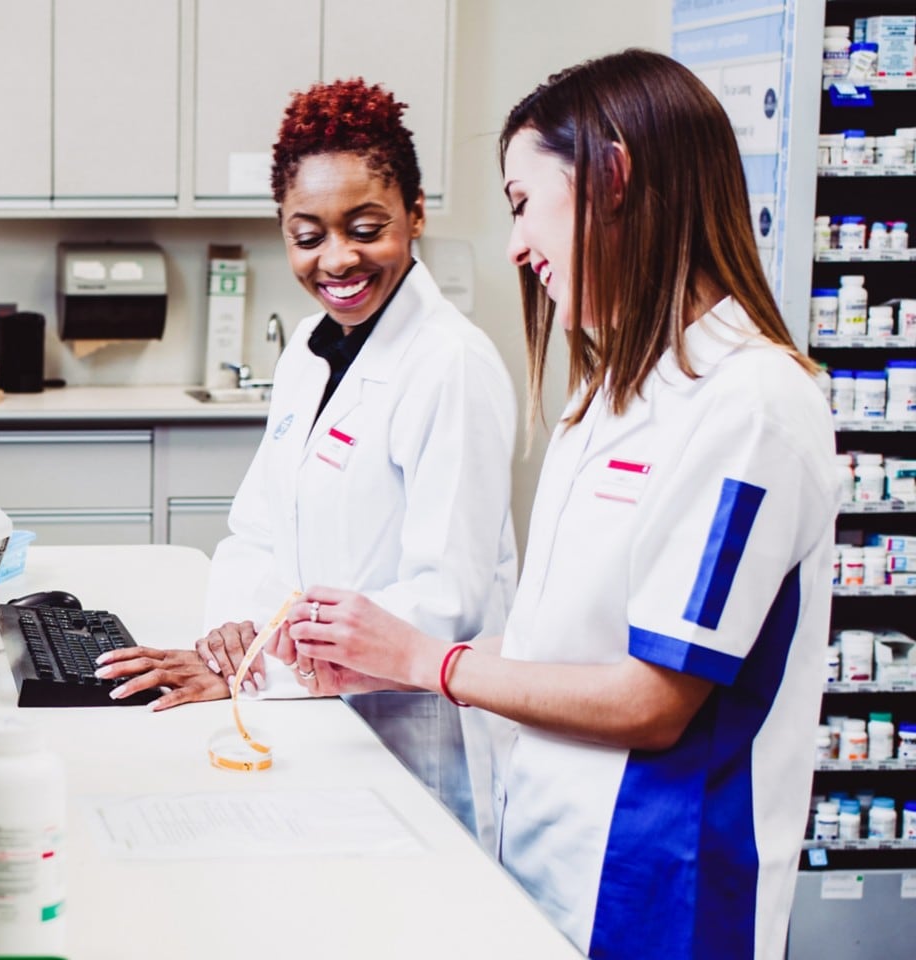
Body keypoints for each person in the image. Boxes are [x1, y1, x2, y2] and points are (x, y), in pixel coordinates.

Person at [271, 50, 837, 959]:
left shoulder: (753, 407)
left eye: (523, 202)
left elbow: (654, 698)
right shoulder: (609, 397)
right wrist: (383, 658)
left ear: (612, 178)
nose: (514, 245)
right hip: (544, 862)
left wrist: (428, 659)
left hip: (656, 897)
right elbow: (556, 652)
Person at [97, 77, 518, 840]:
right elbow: (255, 532)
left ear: (416, 213)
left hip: (408, 742)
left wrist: (266, 664)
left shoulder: (451, 364)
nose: (338, 260)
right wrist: (233, 633)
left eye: (366, 227)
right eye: (308, 235)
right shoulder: (306, 349)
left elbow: (444, 598)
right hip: (300, 719)